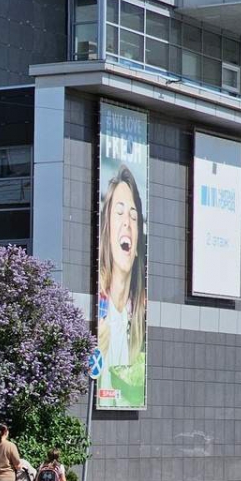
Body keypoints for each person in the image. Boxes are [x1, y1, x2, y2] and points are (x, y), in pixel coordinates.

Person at [97, 165, 147, 405]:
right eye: (119, 212)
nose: (127, 222)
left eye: (133, 216)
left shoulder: (137, 321)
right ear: (106, 231)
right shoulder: (99, 315)